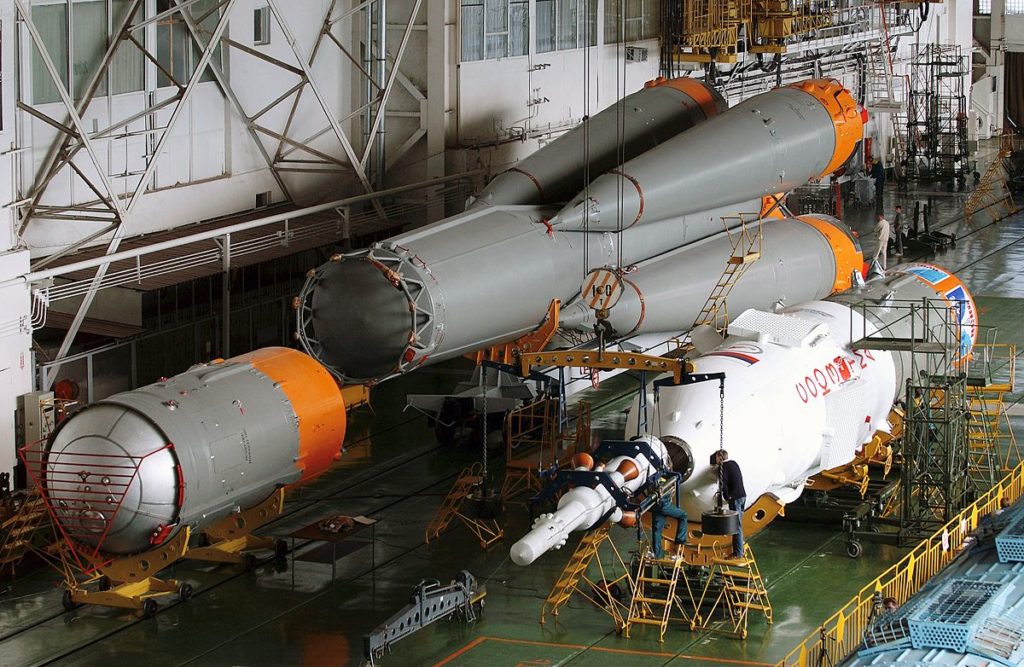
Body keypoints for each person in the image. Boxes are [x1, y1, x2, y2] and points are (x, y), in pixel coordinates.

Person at [714, 450, 746, 559]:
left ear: (720, 457)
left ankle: (738, 553)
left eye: (717, 457)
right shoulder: (734, 463)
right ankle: (740, 547)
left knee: (736, 526)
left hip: (735, 498)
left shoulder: (723, 467)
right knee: (740, 523)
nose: (716, 459)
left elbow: (724, 484)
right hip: (742, 496)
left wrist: (727, 497)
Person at [651, 490, 688, 559]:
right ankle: (680, 540)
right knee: (683, 515)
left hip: (655, 505)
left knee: (657, 530)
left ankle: (657, 555)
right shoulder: (665, 480)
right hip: (664, 504)